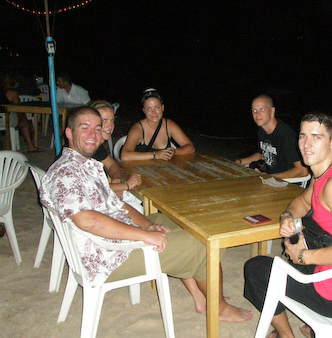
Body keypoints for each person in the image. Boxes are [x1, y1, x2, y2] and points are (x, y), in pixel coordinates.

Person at [40, 106, 252, 322]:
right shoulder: (67, 172)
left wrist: (147, 225)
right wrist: (144, 235)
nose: (93, 135)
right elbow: (87, 220)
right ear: (69, 132)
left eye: (97, 128)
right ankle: (220, 307)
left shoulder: (84, 165)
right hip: (108, 256)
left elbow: (117, 204)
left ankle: (201, 297)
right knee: (204, 243)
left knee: (190, 221)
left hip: (112, 235)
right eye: (85, 128)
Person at [244, 112, 332, 338]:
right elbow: (302, 202)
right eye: (303, 136)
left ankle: (287, 335)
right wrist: (287, 216)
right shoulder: (324, 175)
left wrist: (304, 257)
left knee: (256, 269)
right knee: (285, 256)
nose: (306, 144)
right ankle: (312, 328)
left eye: (316, 137)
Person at [235, 95, 308, 179]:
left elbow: (302, 170)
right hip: (268, 177)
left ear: (272, 111)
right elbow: (262, 155)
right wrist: (239, 162)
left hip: (287, 183)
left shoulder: (286, 134)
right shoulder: (262, 130)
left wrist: (269, 177)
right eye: (254, 110)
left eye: (262, 109)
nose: (257, 114)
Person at [89, 100, 143, 213]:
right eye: (104, 121)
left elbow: (112, 164)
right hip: (89, 205)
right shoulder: (86, 149)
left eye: (112, 121)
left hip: (102, 194)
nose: (110, 126)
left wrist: (116, 180)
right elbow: (90, 189)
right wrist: (125, 185)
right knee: (137, 208)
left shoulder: (97, 146)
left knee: (139, 195)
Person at [120, 88, 195, 161]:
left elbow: (190, 147)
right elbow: (125, 156)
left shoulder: (169, 125)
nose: (153, 112)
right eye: (149, 109)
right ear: (144, 111)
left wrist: (174, 152)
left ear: (162, 108)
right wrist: (155, 155)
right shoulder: (138, 128)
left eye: (157, 107)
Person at [0, 71, 40, 152]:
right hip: (3, 120)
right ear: (14, 83)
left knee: (22, 118)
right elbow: (18, 108)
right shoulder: (12, 93)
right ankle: (31, 145)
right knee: (24, 120)